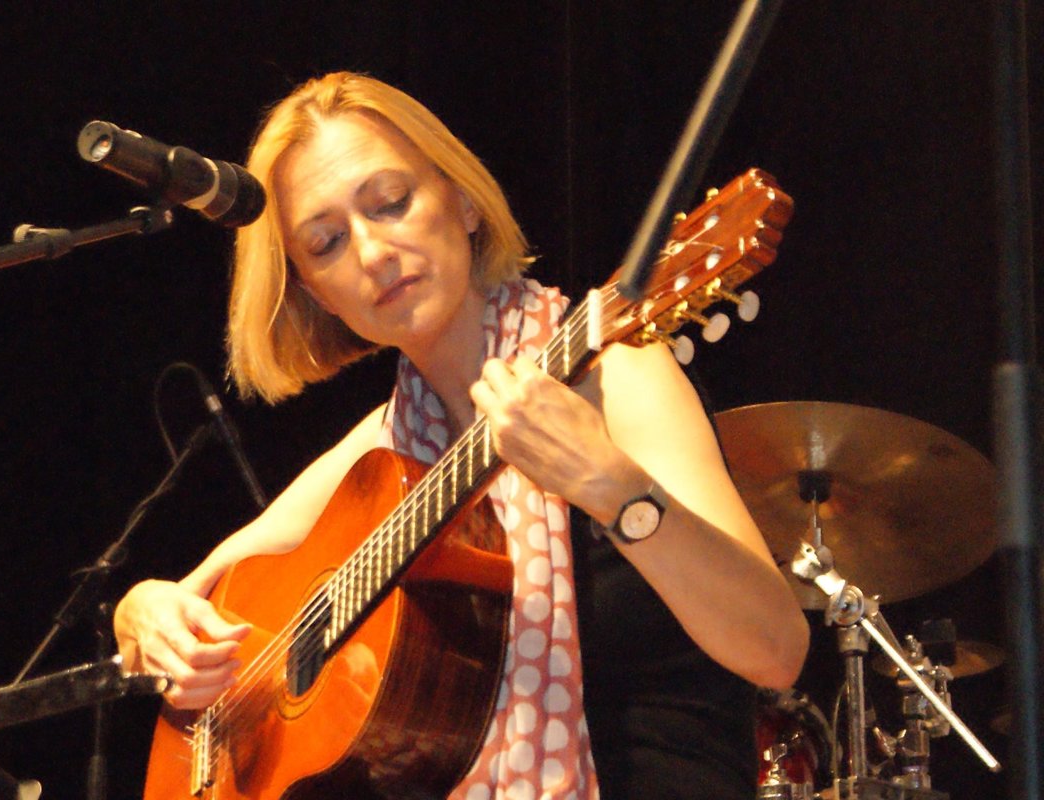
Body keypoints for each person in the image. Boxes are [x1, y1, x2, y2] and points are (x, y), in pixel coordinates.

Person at [114, 71, 809, 799]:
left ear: (464, 201)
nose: (372, 253)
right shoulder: (385, 447)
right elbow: (206, 595)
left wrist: (612, 487)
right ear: (316, 294)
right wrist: (145, 613)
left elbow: (777, 650)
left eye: (391, 203)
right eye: (326, 243)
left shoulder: (619, 379)